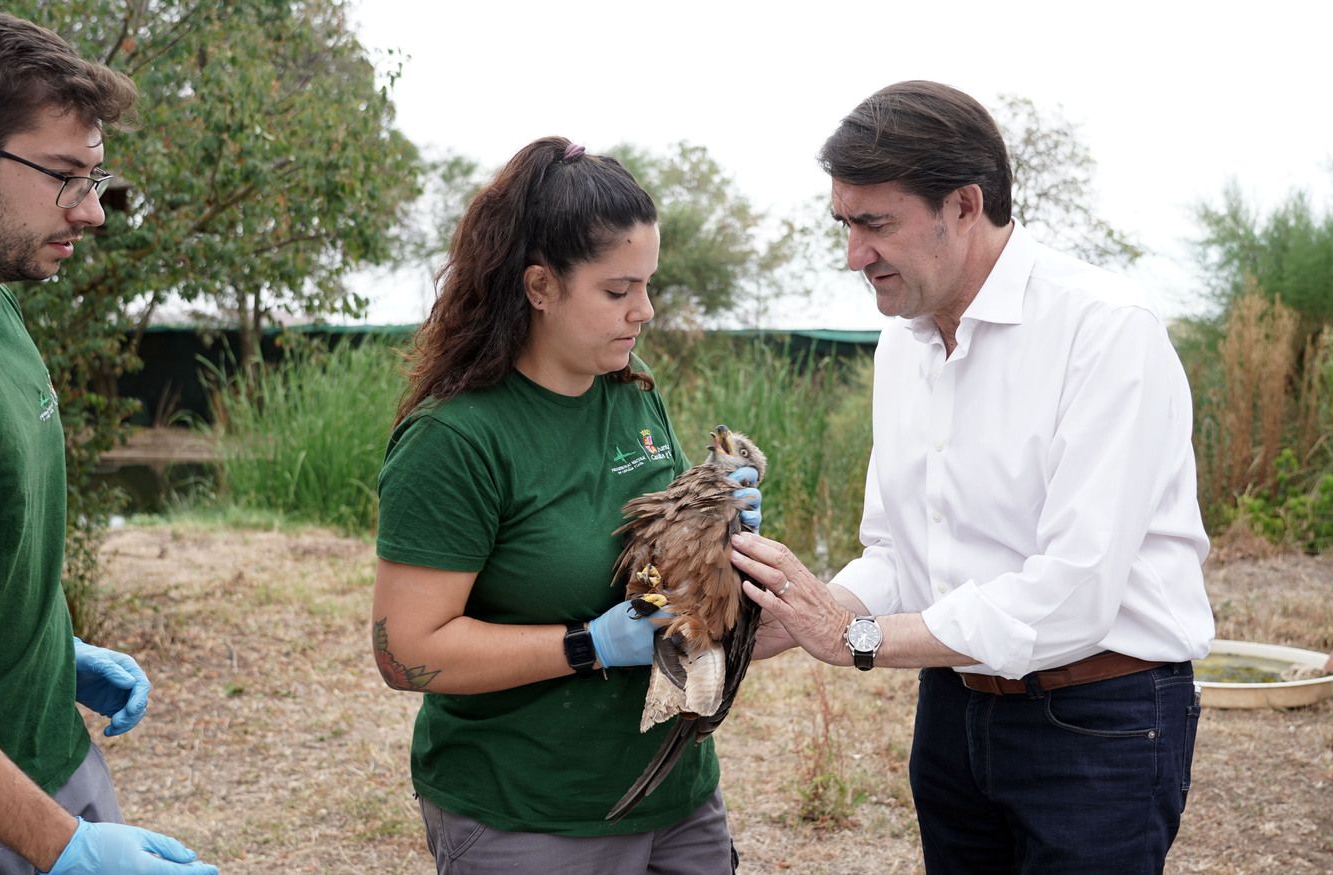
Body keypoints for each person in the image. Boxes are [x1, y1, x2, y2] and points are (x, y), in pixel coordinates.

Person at [731, 80, 1215, 874]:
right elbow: (896, 554)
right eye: (845, 224)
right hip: (953, 711)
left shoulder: (1103, 331)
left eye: (875, 224)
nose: (854, 255)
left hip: (1100, 721)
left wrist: (852, 638)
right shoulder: (904, 345)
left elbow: (1073, 591)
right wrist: (786, 620)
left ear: (963, 204)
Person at [372, 136, 760, 874]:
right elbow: (405, 651)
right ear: (540, 286)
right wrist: (586, 645)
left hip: (673, 794)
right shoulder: (455, 440)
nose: (643, 310)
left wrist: (714, 524)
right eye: (617, 291)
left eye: (648, 284)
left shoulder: (630, 391)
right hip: (529, 813)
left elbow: (650, 568)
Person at [0, 12, 217, 875]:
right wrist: (66, 847)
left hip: (43, 752)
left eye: (97, 178)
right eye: (64, 177)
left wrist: (52, 651)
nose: (91, 211)